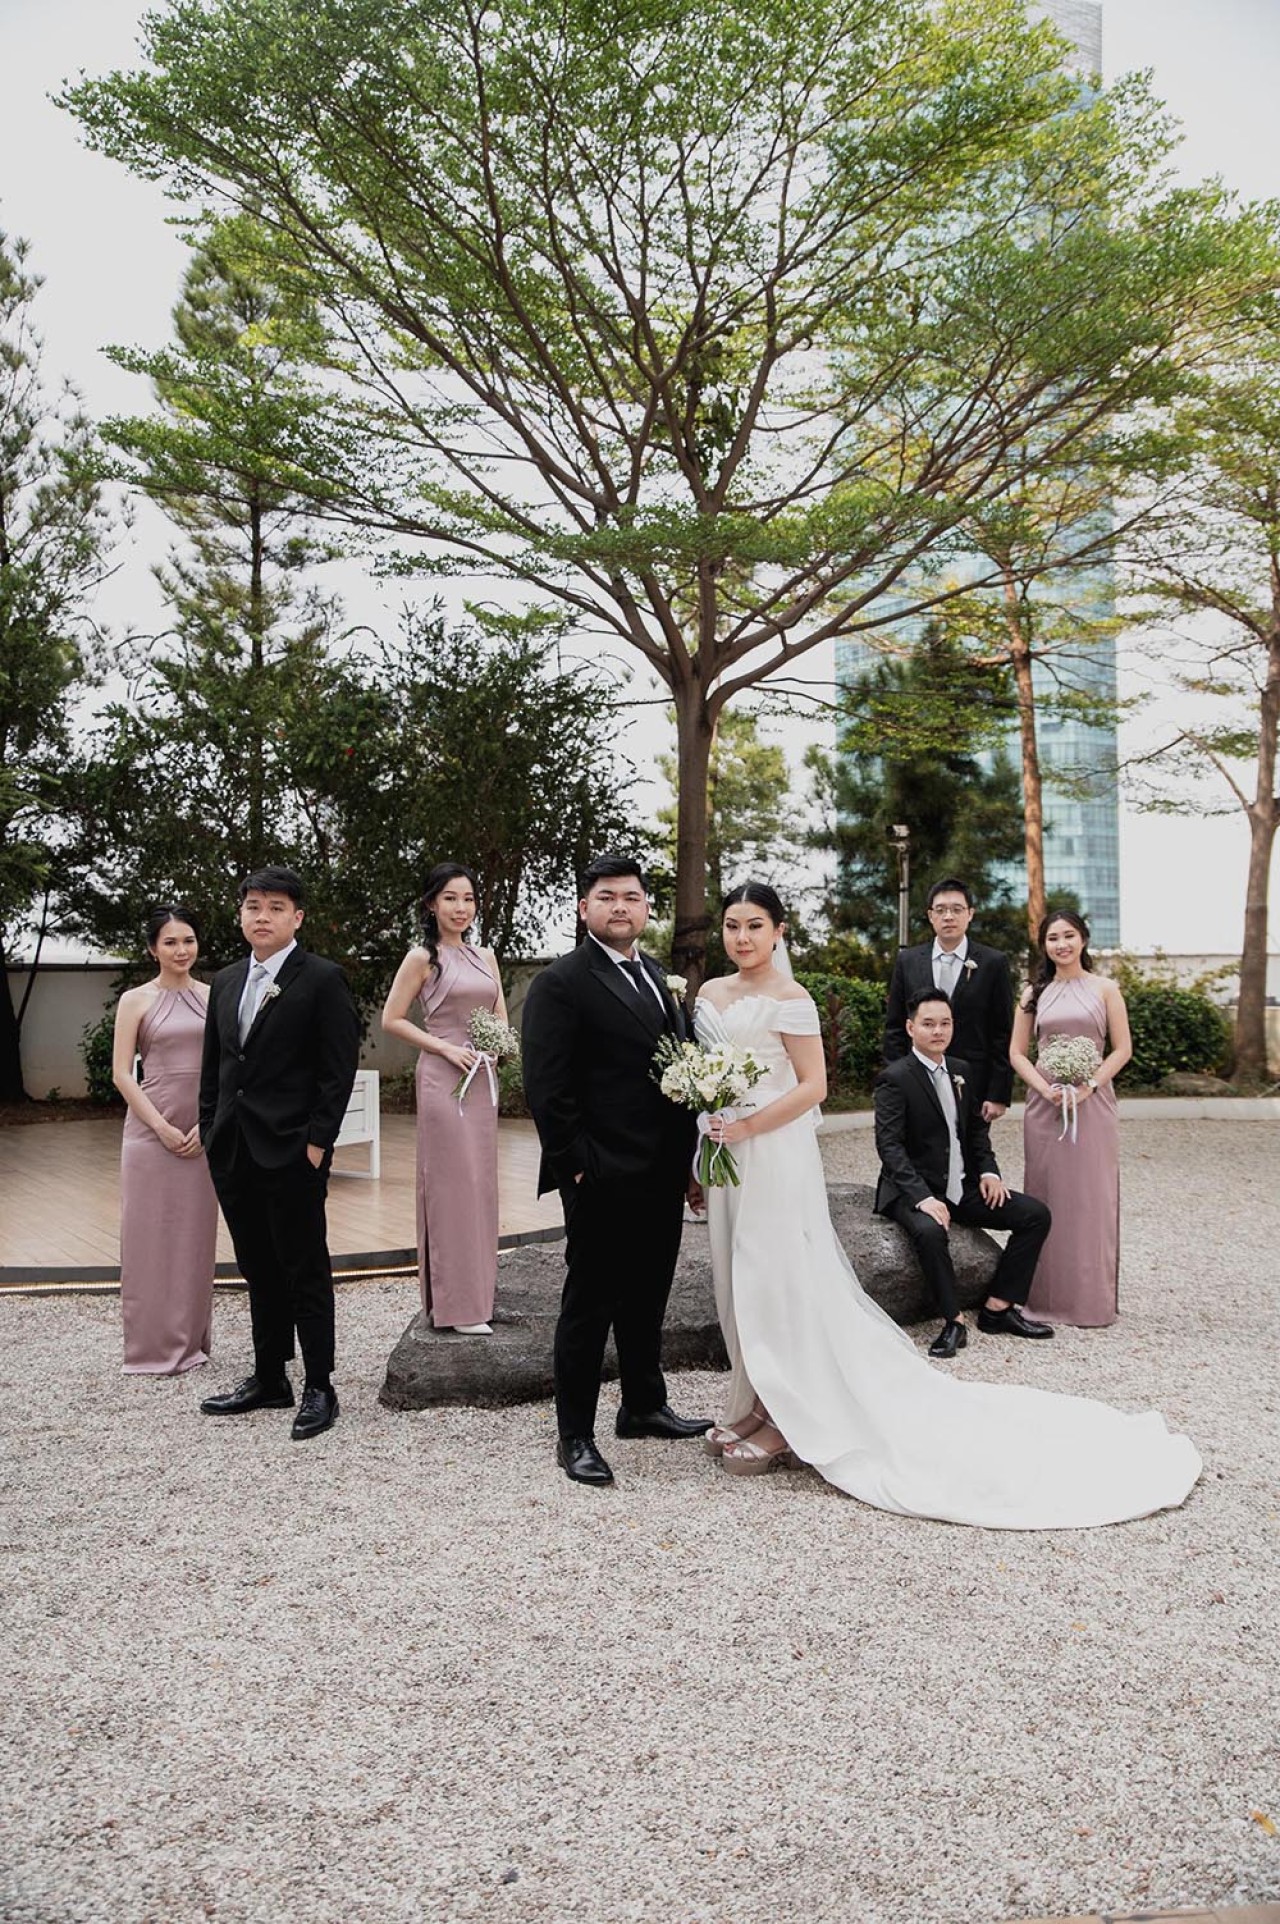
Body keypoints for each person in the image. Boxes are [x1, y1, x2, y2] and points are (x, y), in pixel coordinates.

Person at [693, 881, 1199, 1528]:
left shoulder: (793, 998)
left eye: (755, 925)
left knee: (779, 1277)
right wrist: (707, 1132)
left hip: (770, 1151)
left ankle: (785, 1415)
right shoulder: (708, 995)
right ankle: (750, 1399)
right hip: (726, 1152)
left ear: (778, 932)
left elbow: (813, 1087)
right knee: (739, 1279)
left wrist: (747, 1125)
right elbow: (703, 1077)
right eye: (732, 925)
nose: (741, 937)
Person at [521, 855, 710, 1486]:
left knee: (648, 1294)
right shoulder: (560, 983)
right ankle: (574, 1434)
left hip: (660, 1170)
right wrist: (578, 1169)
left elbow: (679, 1071)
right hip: (600, 1174)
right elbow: (547, 1089)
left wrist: (689, 1162)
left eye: (631, 896)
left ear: (647, 908)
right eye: (606, 897)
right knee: (589, 1304)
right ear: (585, 909)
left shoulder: (657, 976)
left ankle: (643, 1405)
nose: (620, 906)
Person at [198, 866, 360, 1442]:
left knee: (304, 1268)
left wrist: (316, 1143)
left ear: (297, 917)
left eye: (274, 907)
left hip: (293, 1150)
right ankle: (270, 1377)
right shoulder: (225, 981)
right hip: (233, 1149)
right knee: (257, 1267)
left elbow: (337, 1071)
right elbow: (216, 1068)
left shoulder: (322, 979)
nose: (261, 916)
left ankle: (320, 1385)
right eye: (253, 906)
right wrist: (210, 1129)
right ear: (240, 914)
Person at [875, 987, 1055, 1357]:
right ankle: (953, 1320)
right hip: (913, 1190)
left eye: (945, 1023)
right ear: (910, 1028)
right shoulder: (895, 1078)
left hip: (961, 1187)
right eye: (928, 1024)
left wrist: (989, 1172)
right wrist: (923, 1198)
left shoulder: (962, 1071)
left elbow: (975, 1133)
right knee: (930, 1232)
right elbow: (889, 1147)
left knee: (1035, 1215)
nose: (938, 1031)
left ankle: (997, 1308)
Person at [381, 862, 505, 1335]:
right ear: (432, 903)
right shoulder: (421, 957)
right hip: (442, 1078)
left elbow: (498, 1017)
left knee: (480, 1184)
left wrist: (498, 1048)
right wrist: (445, 1048)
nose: (460, 907)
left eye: (468, 898)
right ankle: (456, 1307)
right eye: (450, 898)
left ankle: (479, 1296)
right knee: (452, 1186)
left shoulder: (485, 956)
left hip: (482, 1079)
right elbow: (393, 1019)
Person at [1010, 908, 1131, 1327]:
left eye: (1068, 936)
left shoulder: (1105, 989)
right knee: (1046, 1195)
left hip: (1092, 1105)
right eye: (1052, 938)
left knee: (1092, 1197)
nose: (1061, 944)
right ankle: (1043, 1296)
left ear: (1083, 939)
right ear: (1043, 945)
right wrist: (1044, 1088)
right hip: (1045, 1106)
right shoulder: (1033, 993)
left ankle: (1090, 1301)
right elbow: (1016, 1053)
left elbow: (1122, 1049)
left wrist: (1089, 1086)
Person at [113, 905, 218, 1375]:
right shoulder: (135, 1000)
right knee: (148, 1238)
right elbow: (121, 1074)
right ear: (152, 948)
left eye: (188, 940)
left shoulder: (215, 997)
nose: (181, 950)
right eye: (170, 942)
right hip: (150, 1133)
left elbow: (226, 1067)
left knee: (194, 1238)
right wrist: (160, 1126)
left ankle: (190, 1342)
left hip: (202, 1135)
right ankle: (150, 1348)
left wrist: (208, 1124)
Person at [883, 877, 1014, 1121]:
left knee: (971, 1144)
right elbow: (895, 1027)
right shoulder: (908, 961)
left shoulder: (993, 963)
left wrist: (998, 1093)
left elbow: (1002, 1031)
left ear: (970, 913)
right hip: (917, 1080)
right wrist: (895, 1081)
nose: (948, 917)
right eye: (941, 910)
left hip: (973, 1081)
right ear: (930, 915)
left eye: (957, 909)